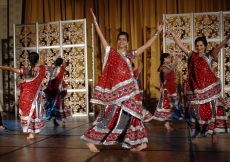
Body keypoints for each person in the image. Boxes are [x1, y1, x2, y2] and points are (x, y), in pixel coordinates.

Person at [81, 8, 164, 153]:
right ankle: (91, 140)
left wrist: (157, 32)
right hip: (115, 94)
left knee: (134, 114)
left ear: (127, 42)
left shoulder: (131, 54)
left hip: (130, 92)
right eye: (119, 39)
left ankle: (141, 142)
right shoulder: (111, 52)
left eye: (124, 40)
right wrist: (95, 22)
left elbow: (147, 46)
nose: (121, 41)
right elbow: (101, 37)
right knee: (109, 115)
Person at [165, 30, 230, 143]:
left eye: (201, 45)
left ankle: (213, 135)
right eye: (197, 45)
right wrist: (173, 34)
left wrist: (229, 36)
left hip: (210, 89)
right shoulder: (192, 55)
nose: (199, 47)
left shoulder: (209, 55)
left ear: (205, 46)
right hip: (197, 90)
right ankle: (198, 131)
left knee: (211, 112)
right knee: (194, 111)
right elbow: (180, 45)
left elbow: (219, 45)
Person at [0, 52, 46, 139]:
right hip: (35, 96)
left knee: (28, 114)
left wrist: (0, 67)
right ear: (37, 60)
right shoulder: (41, 69)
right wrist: (43, 56)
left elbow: (10, 69)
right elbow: (42, 63)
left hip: (26, 96)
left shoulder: (26, 71)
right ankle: (32, 132)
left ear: (29, 61)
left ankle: (31, 133)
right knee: (34, 113)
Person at [152, 53, 182, 131]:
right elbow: (168, 71)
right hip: (167, 90)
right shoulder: (163, 67)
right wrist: (175, 62)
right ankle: (168, 125)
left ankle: (169, 124)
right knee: (169, 107)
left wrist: (177, 60)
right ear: (164, 59)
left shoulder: (169, 66)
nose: (170, 59)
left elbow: (172, 67)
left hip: (172, 88)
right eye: (168, 57)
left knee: (175, 107)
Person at [44, 57, 71, 126]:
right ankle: (63, 121)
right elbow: (64, 64)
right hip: (59, 88)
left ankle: (55, 120)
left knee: (54, 104)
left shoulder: (52, 68)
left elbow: (44, 67)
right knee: (60, 104)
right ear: (61, 63)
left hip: (52, 88)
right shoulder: (61, 68)